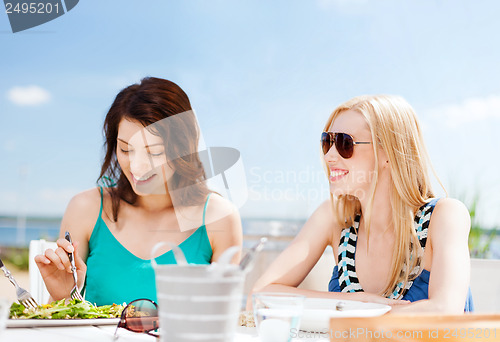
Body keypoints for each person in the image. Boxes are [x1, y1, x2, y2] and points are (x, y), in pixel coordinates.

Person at [250, 95, 473, 313]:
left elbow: (445, 311)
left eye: (344, 143)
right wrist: (354, 303)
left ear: (387, 153)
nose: (329, 156)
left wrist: (357, 311)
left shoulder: (444, 216)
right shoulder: (335, 218)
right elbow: (259, 296)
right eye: (327, 142)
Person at [35, 77, 243, 306]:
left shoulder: (218, 217)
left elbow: (223, 320)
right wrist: (63, 296)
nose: (136, 167)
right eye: (125, 149)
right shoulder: (86, 209)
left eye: (153, 152)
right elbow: (60, 325)